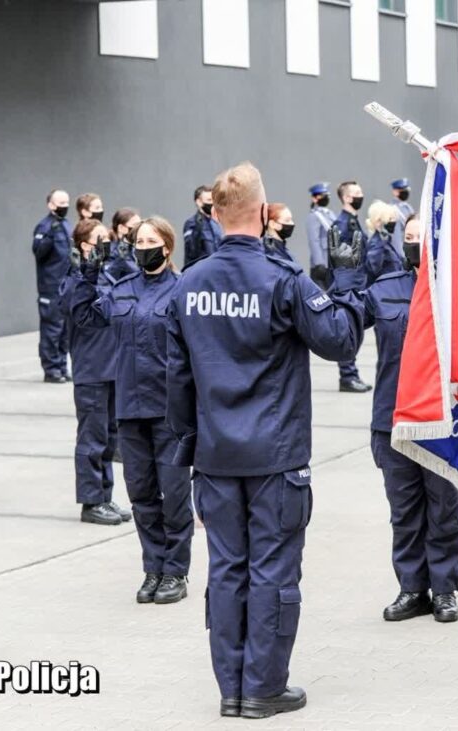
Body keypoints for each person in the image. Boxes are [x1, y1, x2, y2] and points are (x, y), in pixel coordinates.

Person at [167, 162, 364, 719]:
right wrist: (343, 282)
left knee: (227, 571)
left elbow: (176, 382)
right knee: (272, 570)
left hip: (216, 457)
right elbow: (340, 341)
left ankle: (231, 688)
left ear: (213, 214)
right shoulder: (282, 278)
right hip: (275, 457)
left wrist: (191, 457)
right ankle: (263, 687)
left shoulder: (190, 283)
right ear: (261, 212)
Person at [352, 215, 458, 623]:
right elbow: (339, 329)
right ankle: (412, 588)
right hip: (393, 417)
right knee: (404, 509)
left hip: (442, 418)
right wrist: (346, 278)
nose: (414, 243)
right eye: (409, 237)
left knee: (444, 506)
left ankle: (445, 590)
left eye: (422, 237)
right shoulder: (384, 289)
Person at [73, 216, 193, 604]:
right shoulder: (122, 290)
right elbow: (84, 315)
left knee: (174, 496)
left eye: (151, 240)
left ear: (167, 247)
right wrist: (88, 274)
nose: (144, 247)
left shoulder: (183, 290)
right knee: (141, 495)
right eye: (139, 241)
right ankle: (153, 568)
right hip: (130, 409)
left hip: (169, 411)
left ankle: (176, 571)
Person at [60, 219, 131, 527]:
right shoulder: (74, 279)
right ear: (83, 245)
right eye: (98, 239)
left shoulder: (107, 273)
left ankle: (105, 495)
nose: (106, 243)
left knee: (110, 438)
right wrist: (87, 271)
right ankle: (91, 501)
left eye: (107, 237)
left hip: (113, 367)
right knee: (92, 439)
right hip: (92, 370)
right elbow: (77, 308)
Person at [331, 180, 372, 394]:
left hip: (357, 285)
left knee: (354, 332)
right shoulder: (341, 225)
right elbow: (337, 260)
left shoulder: (353, 223)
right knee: (348, 332)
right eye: (357, 193)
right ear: (346, 197)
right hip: (347, 287)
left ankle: (351, 374)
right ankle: (347, 376)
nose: (361, 195)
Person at [33, 189, 73, 382]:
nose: (64, 206)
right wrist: (50, 235)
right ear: (51, 204)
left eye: (66, 202)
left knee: (65, 330)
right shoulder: (45, 226)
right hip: (50, 286)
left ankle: (62, 367)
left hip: (66, 286)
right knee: (52, 330)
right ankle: (51, 369)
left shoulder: (66, 225)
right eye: (60, 202)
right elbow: (38, 252)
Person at [182, 185, 223, 268]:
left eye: (213, 200)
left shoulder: (216, 224)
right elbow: (192, 251)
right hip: (200, 273)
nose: (212, 203)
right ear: (199, 202)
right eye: (209, 200)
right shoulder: (192, 223)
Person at [305, 182, 335, 287]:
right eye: (321, 195)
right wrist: (319, 263)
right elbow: (314, 240)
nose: (325, 197)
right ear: (314, 198)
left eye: (326, 195)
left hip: (332, 261)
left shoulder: (330, 214)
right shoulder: (314, 216)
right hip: (322, 262)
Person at [363, 199, 401, 280]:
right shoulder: (376, 244)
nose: (393, 221)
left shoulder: (387, 240)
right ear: (378, 222)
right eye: (390, 219)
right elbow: (373, 269)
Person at [107, 207, 141, 282]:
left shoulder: (134, 248)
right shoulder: (110, 252)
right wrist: (122, 259)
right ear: (121, 228)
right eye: (135, 225)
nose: (139, 229)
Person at [390, 178, 414, 257]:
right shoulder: (392, 209)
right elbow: (396, 239)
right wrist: (403, 258)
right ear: (395, 192)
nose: (405, 192)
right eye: (402, 190)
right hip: (402, 255)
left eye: (406, 189)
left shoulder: (408, 207)